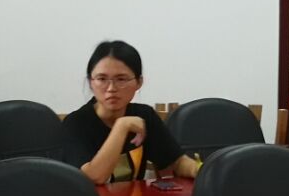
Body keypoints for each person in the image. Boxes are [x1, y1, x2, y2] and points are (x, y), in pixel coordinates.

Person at [60, 40, 200, 184]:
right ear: (90, 82)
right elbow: (93, 178)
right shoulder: (76, 123)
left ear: (139, 82)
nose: (111, 88)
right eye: (102, 79)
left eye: (121, 79)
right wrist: (122, 126)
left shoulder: (145, 115)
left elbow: (177, 162)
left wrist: (199, 170)